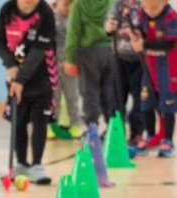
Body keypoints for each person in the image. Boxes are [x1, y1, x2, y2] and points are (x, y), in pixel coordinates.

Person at [0, 0, 57, 185]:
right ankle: (21, 164)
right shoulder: (7, 9)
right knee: (18, 121)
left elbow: (39, 50)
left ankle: (37, 165)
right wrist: (10, 65)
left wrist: (21, 79)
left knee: (40, 121)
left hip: (43, 78)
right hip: (14, 78)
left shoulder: (45, 12)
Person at [130, 0, 177, 157]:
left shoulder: (171, 17)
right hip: (150, 70)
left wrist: (144, 45)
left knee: (167, 107)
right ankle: (150, 136)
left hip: (168, 72)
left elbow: (169, 45)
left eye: (153, 7)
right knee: (146, 104)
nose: (149, 11)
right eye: (145, 7)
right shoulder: (143, 14)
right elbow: (140, 29)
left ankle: (167, 140)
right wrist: (137, 35)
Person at [64, 0, 114, 131]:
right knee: (109, 92)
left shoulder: (79, 4)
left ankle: (92, 131)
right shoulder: (112, 2)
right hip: (111, 51)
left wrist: (69, 57)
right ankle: (112, 129)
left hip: (88, 52)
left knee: (89, 92)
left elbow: (73, 33)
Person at [105, 0, 144, 146]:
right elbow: (110, 25)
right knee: (116, 97)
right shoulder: (118, 4)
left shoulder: (144, 4)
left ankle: (137, 133)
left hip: (139, 59)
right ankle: (115, 130)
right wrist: (109, 28)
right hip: (119, 57)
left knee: (139, 99)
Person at [50, 0, 83, 139]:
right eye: (65, 4)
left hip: (71, 64)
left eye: (71, 5)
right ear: (56, 4)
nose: (68, 8)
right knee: (54, 98)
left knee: (73, 97)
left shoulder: (75, 20)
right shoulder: (49, 19)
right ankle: (52, 126)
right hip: (53, 65)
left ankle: (76, 125)